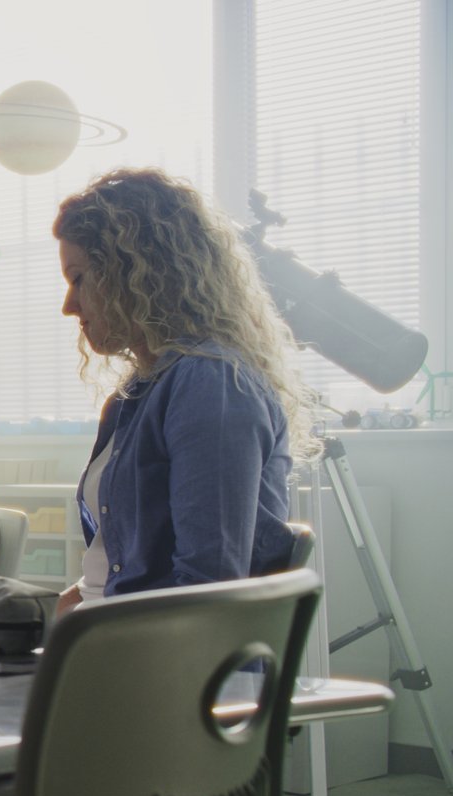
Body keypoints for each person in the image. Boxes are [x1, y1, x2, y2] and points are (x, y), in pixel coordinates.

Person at [52, 167, 315, 615]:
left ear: (134, 273)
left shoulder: (212, 386)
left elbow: (207, 590)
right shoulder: (134, 397)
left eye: (79, 278)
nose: (68, 305)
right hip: (108, 641)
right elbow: (128, 561)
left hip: (164, 665)